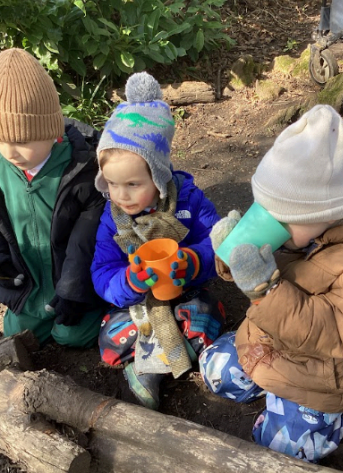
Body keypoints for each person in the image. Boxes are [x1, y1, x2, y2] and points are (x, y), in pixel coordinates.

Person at [202, 104, 343, 463]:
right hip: (276, 337)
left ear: (329, 215)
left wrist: (264, 291)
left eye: (282, 216)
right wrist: (232, 252)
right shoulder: (307, 228)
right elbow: (270, 263)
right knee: (215, 372)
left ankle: (322, 421)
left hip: (324, 373)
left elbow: (330, 335)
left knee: (285, 449)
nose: (273, 222)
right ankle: (269, 385)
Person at [91, 72, 225, 410]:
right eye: (111, 184)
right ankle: (160, 358)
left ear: (159, 175)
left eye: (133, 184)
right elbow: (102, 272)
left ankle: (152, 363)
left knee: (205, 315)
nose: (121, 195)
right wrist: (129, 281)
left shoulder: (188, 202)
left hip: (185, 293)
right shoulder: (113, 218)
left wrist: (194, 262)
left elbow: (218, 243)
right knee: (110, 339)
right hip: (138, 306)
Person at [0, 48, 107, 347]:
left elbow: (85, 241)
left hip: (73, 280)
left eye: (21, 140)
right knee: (16, 333)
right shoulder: (2, 168)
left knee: (72, 334)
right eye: (1, 140)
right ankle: (36, 305)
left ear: (52, 131)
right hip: (28, 284)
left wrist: (74, 290)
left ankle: (87, 309)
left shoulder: (82, 169)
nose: (10, 151)